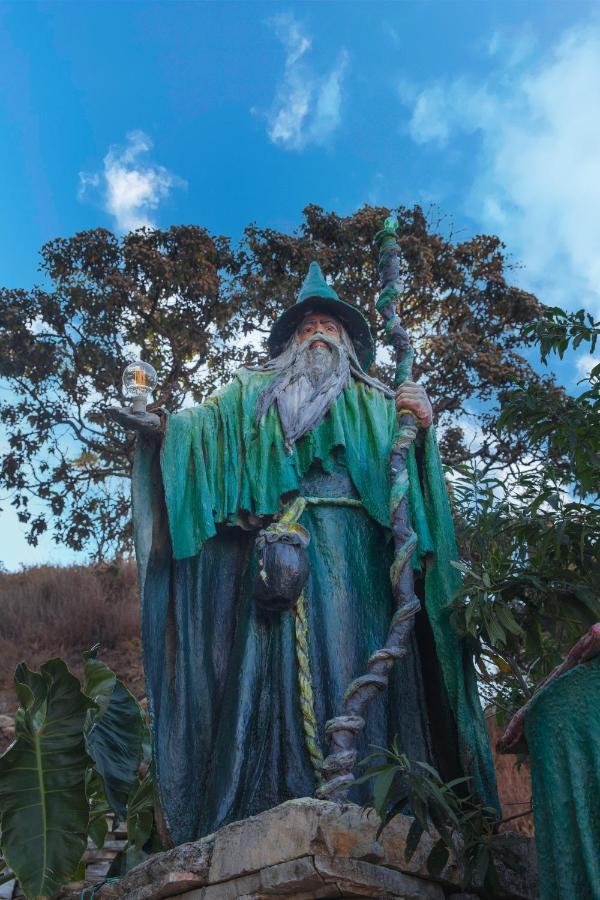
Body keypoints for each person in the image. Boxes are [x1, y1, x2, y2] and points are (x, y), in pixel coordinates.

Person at [118, 262, 498, 846]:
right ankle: (272, 793)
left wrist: (421, 424)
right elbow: (204, 430)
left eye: (329, 324)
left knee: (359, 661)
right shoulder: (253, 393)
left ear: (348, 340)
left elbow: (417, 491)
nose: (317, 331)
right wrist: (160, 426)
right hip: (278, 559)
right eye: (306, 325)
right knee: (271, 676)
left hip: (361, 562)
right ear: (290, 340)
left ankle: (380, 796)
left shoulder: (380, 402)